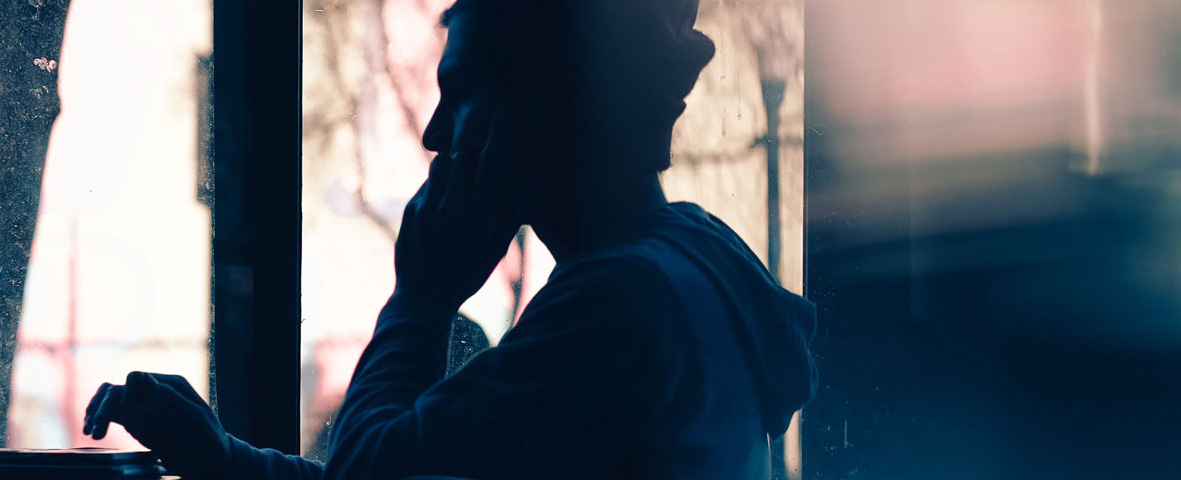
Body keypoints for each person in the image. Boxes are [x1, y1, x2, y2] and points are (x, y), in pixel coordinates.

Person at [82, 0, 817, 478]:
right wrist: (227, 461)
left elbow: (371, 475)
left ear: (547, 107)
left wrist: (422, 299)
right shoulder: (685, 261)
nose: (437, 133)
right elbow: (424, 468)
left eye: (463, 93)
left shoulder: (617, 304)